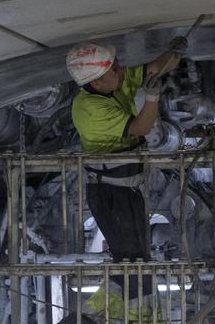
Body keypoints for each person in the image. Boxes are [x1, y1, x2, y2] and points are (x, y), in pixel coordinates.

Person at [64, 37, 187, 262]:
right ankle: (133, 294)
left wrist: (174, 54)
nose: (120, 72)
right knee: (131, 258)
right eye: (113, 70)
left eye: (117, 66)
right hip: (111, 194)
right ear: (96, 83)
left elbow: (153, 69)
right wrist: (152, 98)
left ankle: (138, 292)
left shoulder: (113, 83)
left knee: (139, 254)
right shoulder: (90, 109)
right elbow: (141, 128)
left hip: (128, 187)